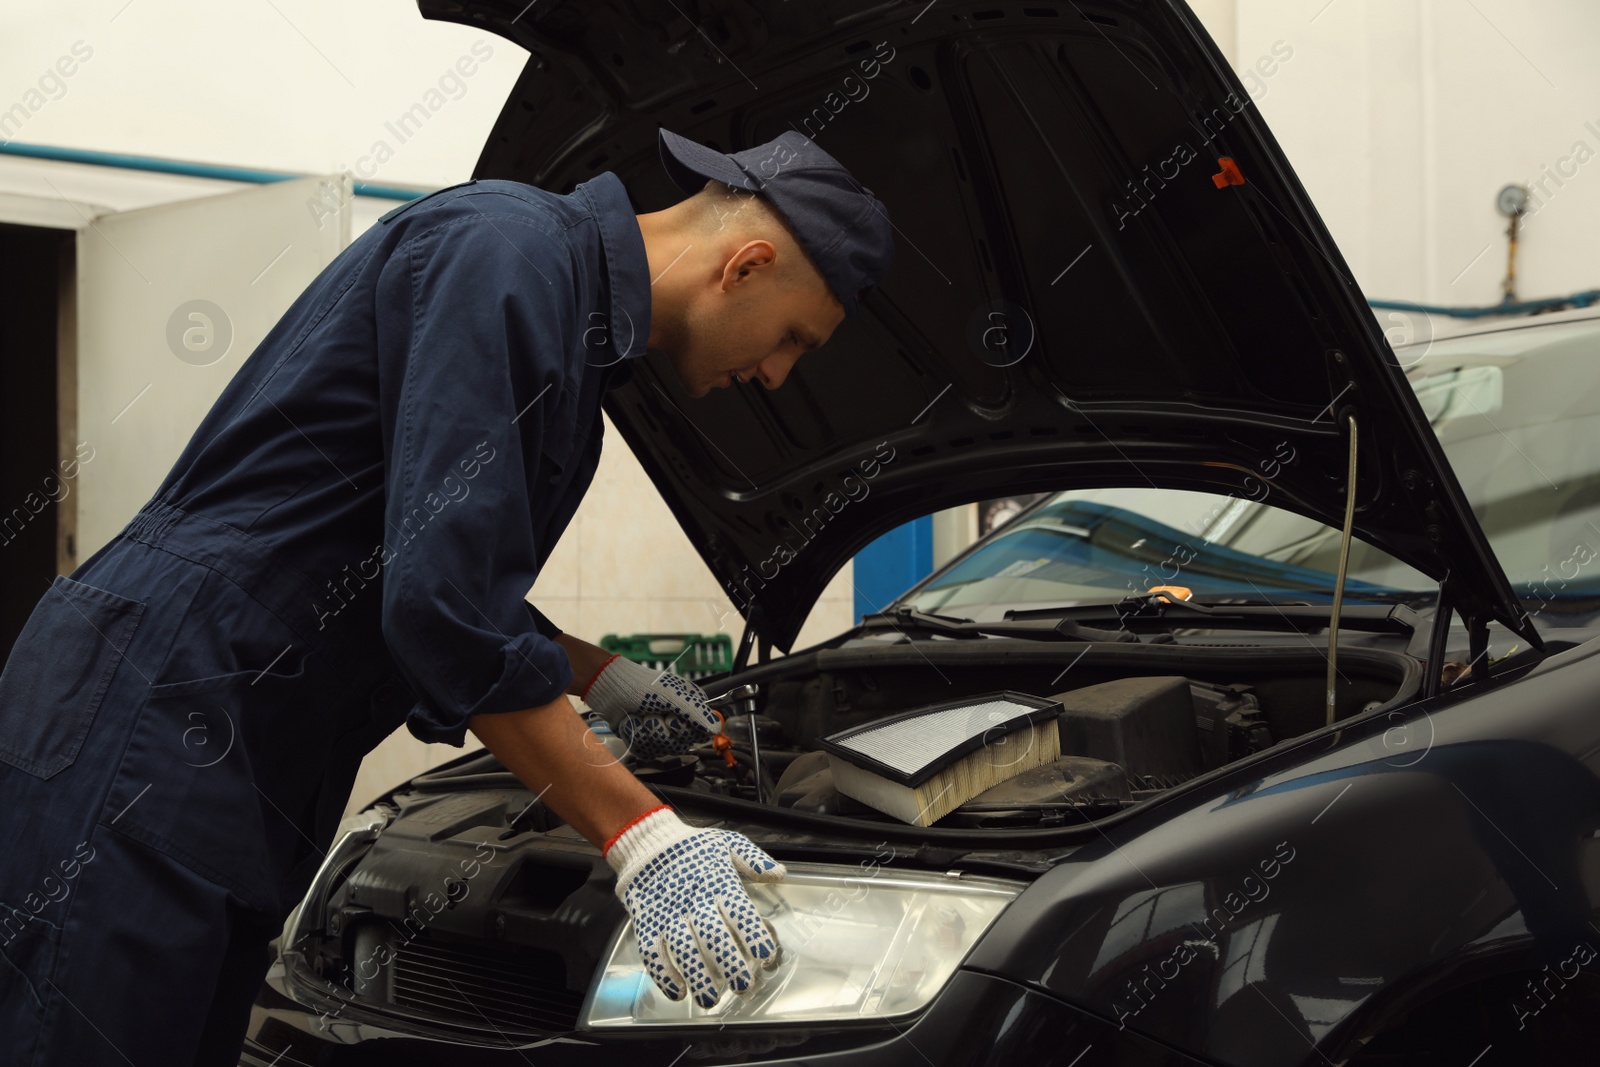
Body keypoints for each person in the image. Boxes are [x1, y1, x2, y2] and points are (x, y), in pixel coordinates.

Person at [0, 126, 894, 1065]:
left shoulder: (566, 329)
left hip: (232, 749)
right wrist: (645, 836)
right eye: (795, 337)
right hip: (157, 715)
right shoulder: (508, 252)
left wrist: (602, 677)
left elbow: (430, 568)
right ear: (747, 264)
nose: (777, 376)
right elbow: (437, 609)